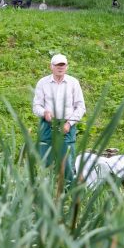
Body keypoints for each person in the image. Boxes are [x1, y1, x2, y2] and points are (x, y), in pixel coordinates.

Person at [32, 53, 86, 183]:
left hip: (67, 125)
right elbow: (36, 106)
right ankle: (43, 192)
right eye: (57, 65)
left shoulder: (73, 83)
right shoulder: (43, 82)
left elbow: (80, 107)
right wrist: (44, 113)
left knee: (67, 163)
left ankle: (67, 194)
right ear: (51, 66)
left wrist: (69, 123)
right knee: (45, 161)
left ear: (66, 67)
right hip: (47, 124)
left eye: (63, 65)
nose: (60, 67)